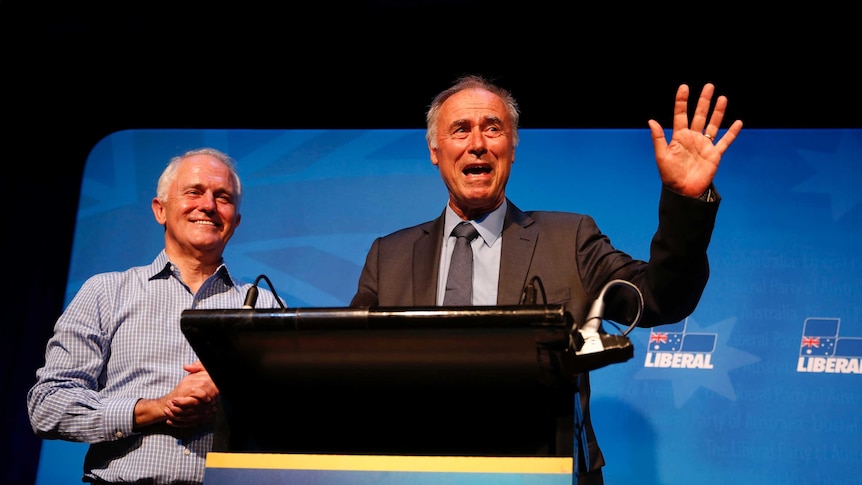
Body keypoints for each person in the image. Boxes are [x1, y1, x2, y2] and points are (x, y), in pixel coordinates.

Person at [349, 75, 743, 484]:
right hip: (414, 471)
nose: (478, 143)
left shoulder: (568, 239)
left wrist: (686, 202)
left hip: (547, 469)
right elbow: (347, 369)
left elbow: (661, 298)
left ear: (512, 146)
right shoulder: (388, 256)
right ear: (435, 149)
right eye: (461, 129)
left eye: (493, 128)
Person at [27, 147, 283, 485]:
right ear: (160, 210)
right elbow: (47, 406)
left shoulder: (265, 307)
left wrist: (231, 387)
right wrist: (157, 408)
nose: (208, 205)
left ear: (235, 221)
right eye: (194, 191)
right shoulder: (106, 292)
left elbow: (295, 416)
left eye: (223, 197)